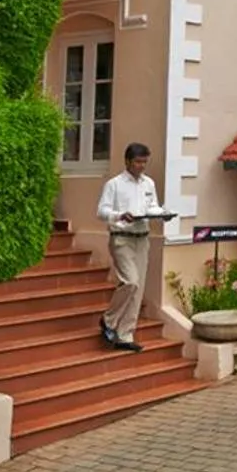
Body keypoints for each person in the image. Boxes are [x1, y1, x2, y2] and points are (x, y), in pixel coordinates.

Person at [96, 142, 159, 351]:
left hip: (143, 237)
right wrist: (119, 215)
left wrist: (161, 213)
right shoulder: (114, 184)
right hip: (122, 237)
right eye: (138, 161)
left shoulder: (148, 183)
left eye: (144, 162)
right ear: (128, 161)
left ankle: (125, 335)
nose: (141, 166)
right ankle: (109, 320)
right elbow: (101, 211)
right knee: (130, 282)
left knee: (138, 288)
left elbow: (153, 206)